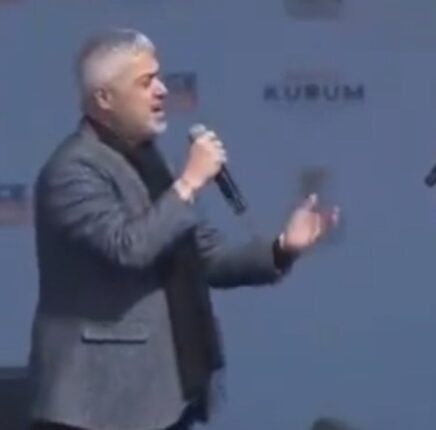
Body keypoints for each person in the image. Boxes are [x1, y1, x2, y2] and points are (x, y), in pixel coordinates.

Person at [28, 28, 338, 430]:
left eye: (159, 78)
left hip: (162, 397)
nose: (161, 90)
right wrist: (189, 183)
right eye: (145, 82)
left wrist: (282, 248)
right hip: (97, 406)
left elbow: (205, 257)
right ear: (104, 98)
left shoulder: (152, 163)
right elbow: (129, 248)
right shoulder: (72, 170)